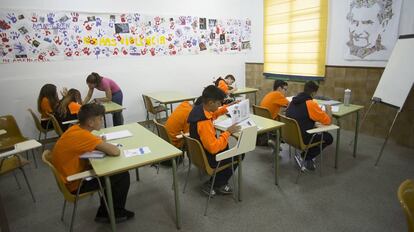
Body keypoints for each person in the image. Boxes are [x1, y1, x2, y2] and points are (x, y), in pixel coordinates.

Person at [51, 103, 133, 223]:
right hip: (76, 183)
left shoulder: (75, 129)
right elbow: (115, 151)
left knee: (113, 173)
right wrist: (102, 144)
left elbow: (90, 142)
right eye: (100, 118)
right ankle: (114, 213)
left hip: (69, 176)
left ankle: (106, 210)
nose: (102, 121)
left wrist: (99, 143)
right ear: (90, 122)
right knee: (121, 174)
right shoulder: (83, 135)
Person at [187, 85, 240, 196]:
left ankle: (219, 176)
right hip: (207, 158)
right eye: (219, 103)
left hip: (196, 154)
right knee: (239, 153)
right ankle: (215, 183)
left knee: (225, 146)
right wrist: (228, 132)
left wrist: (228, 107)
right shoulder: (204, 123)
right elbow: (213, 148)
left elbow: (213, 114)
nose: (220, 105)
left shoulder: (200, 108)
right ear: (211, 102)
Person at [286, 81, 333, 171]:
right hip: (302, 139)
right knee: (328, 138)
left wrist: (312, 122)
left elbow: (300, 116)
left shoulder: (293, 101)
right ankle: (305, 156)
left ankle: (307, 155)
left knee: (316, 127)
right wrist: (328, 109)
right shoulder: (310, 104)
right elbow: (328, 121)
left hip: (290, 136)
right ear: (313, 93)